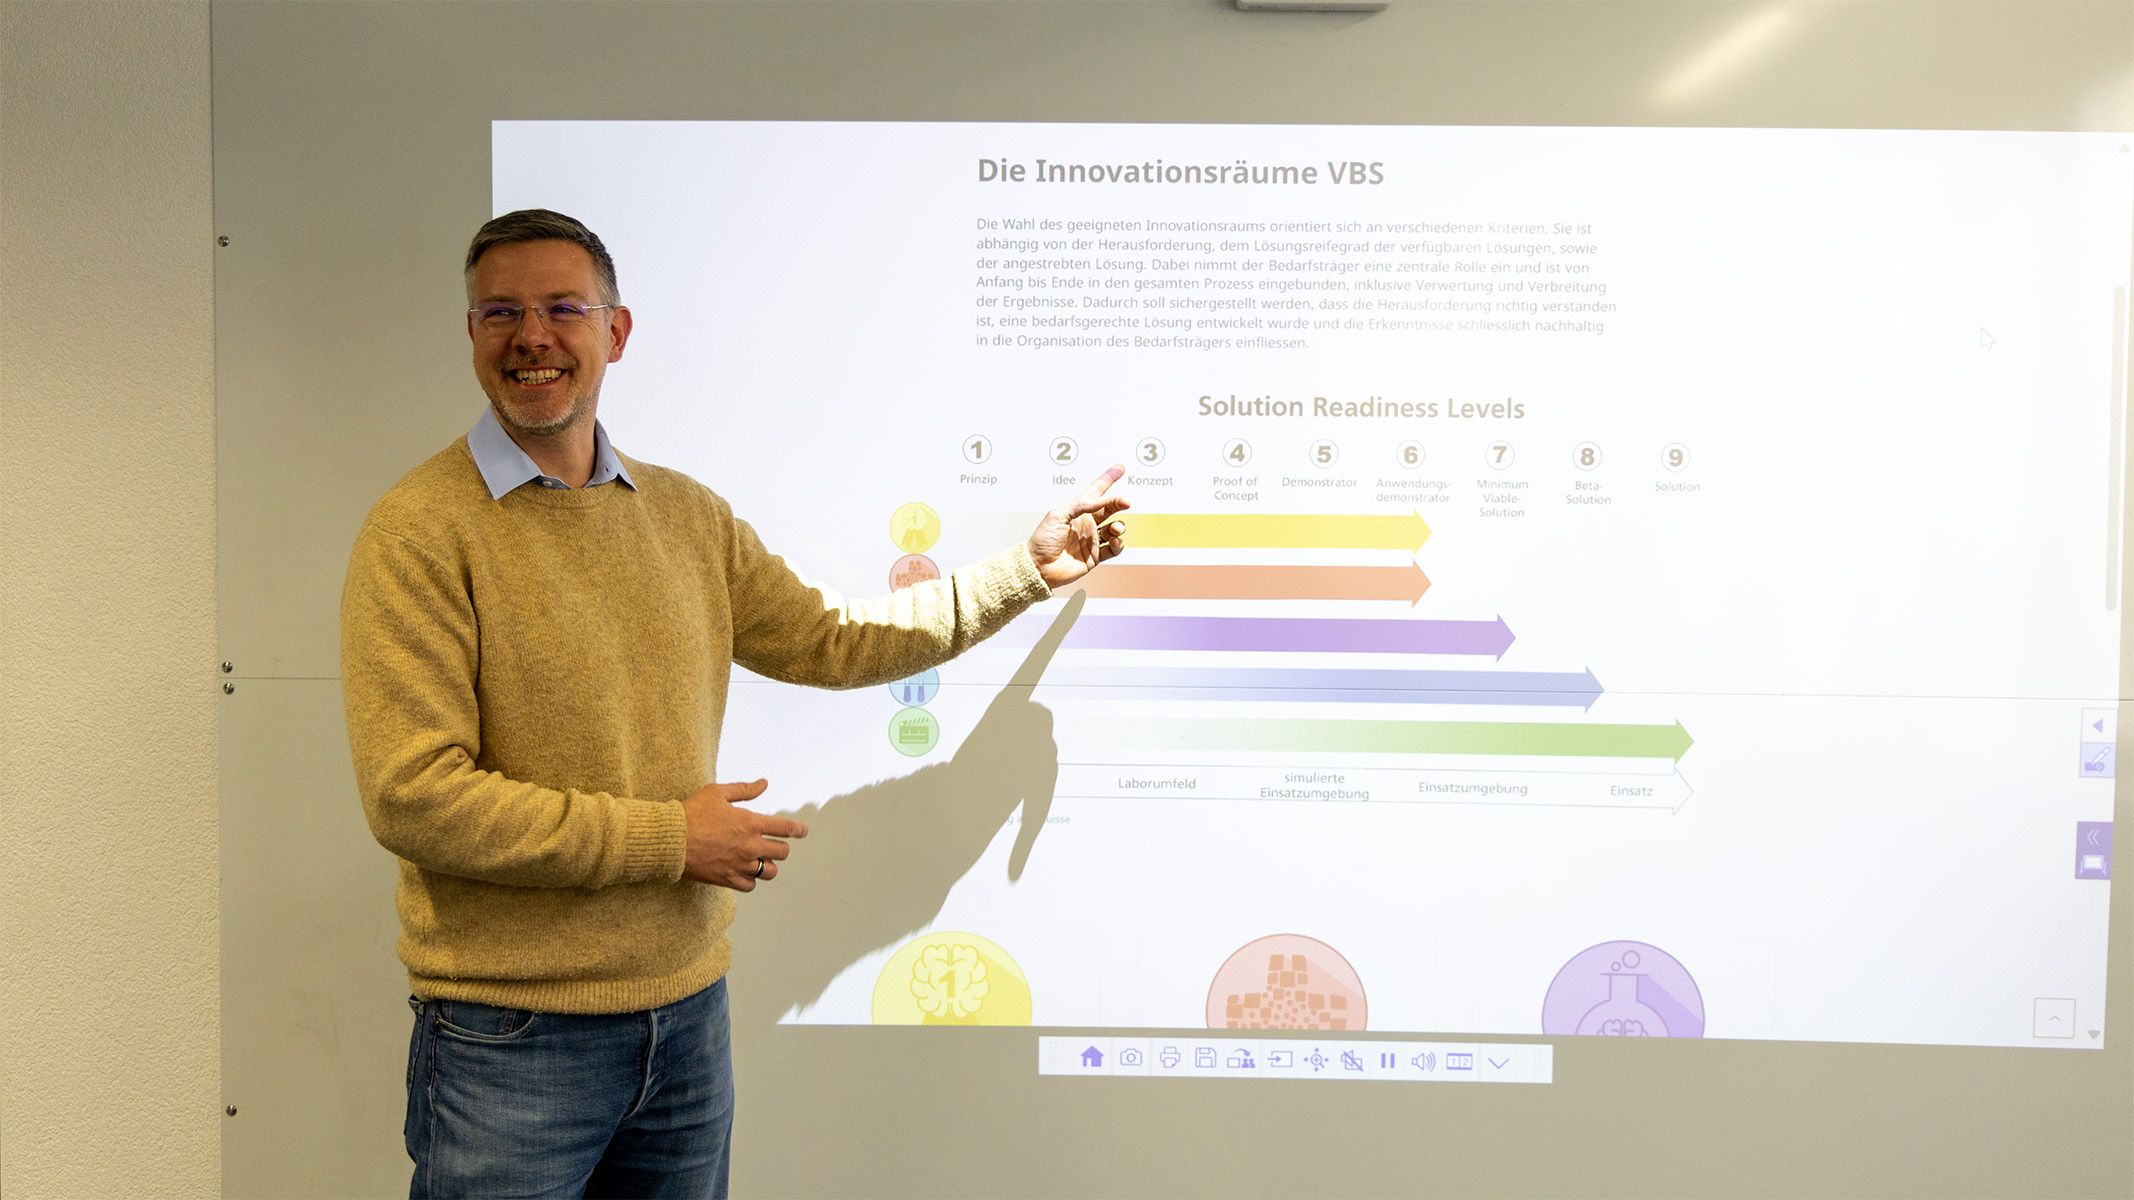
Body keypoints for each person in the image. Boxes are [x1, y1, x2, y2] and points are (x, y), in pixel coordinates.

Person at [339, 208, 1127, 1199]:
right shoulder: (419, 533)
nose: (531, 336)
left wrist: (1024, 570)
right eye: (500, 311)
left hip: (685, 1021)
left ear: (614, 334)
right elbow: (416, 796)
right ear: (470, 335)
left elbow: (832, 639)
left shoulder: (685, 516)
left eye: (561, 308)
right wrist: (672, 840)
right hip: (510, 1039)